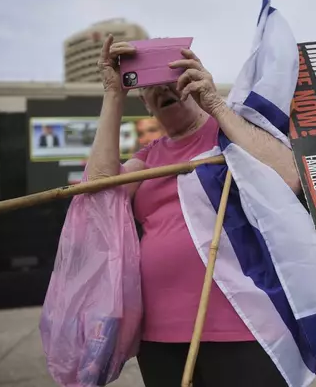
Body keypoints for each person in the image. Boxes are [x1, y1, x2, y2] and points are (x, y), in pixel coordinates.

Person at [86, 35, 301, 387]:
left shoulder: (232, 133)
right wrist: (112, 95)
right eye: (149, 85)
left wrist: (215, 103)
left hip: (245, 326)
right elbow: (96, 195)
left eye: (173, 76)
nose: (163, 88)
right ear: (145, 103)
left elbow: (290, 178)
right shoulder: (149, 157)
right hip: (159, 336)